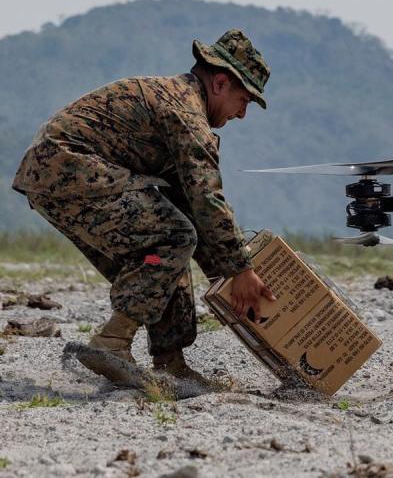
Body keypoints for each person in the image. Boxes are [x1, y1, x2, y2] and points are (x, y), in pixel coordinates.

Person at [11, 29, 275, 385]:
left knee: (170, 245)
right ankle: (112, 342)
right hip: (69, 170)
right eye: (244, 100)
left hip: (60, 175)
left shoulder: (181, 103)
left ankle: (170, 363)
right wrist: (241, 270)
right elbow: (207, 197)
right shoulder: (185, 112)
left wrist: (227, 275)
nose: (243, 114)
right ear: (220, 83)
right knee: (174, 238)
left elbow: (193, 206)